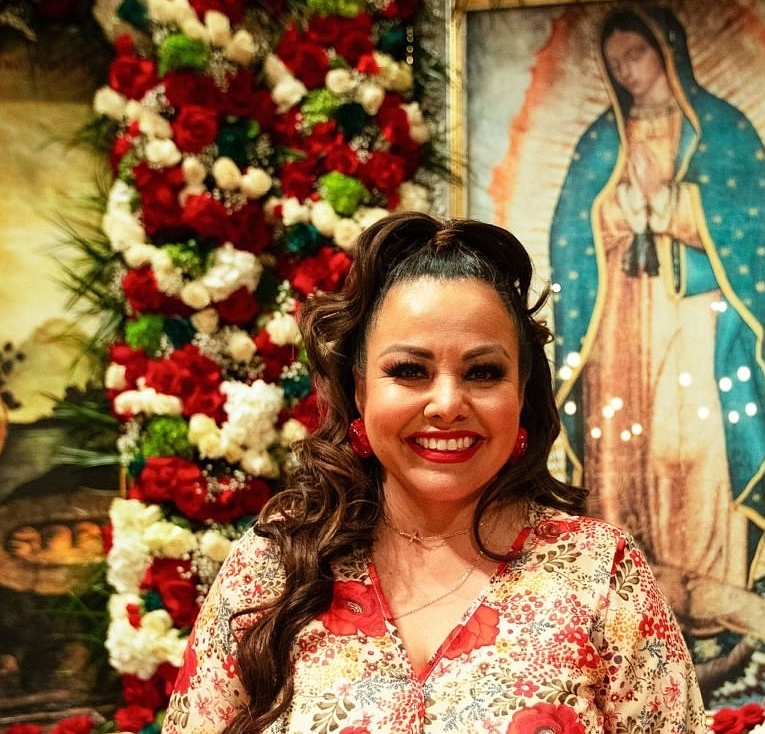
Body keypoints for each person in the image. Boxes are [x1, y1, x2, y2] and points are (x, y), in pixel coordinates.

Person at [164, 212, 707, 733]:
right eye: (409, 371)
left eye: (483, 372)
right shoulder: (276, 564)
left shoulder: (599, 573)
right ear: (360, 390)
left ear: (520, 393)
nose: (447, 403)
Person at [549, 7, 765, 670]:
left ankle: (711, 600)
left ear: (668, 50)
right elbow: (573, 235)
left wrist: (674, 208)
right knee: (620, 458)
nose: (626, 72)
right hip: (619, 321)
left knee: (688, 451)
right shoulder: (604, 140)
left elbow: (756, 233)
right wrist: (613, 211)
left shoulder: (720, 132)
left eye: (636, 55)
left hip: (695, 317)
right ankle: (622, 604)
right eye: (616, 63)